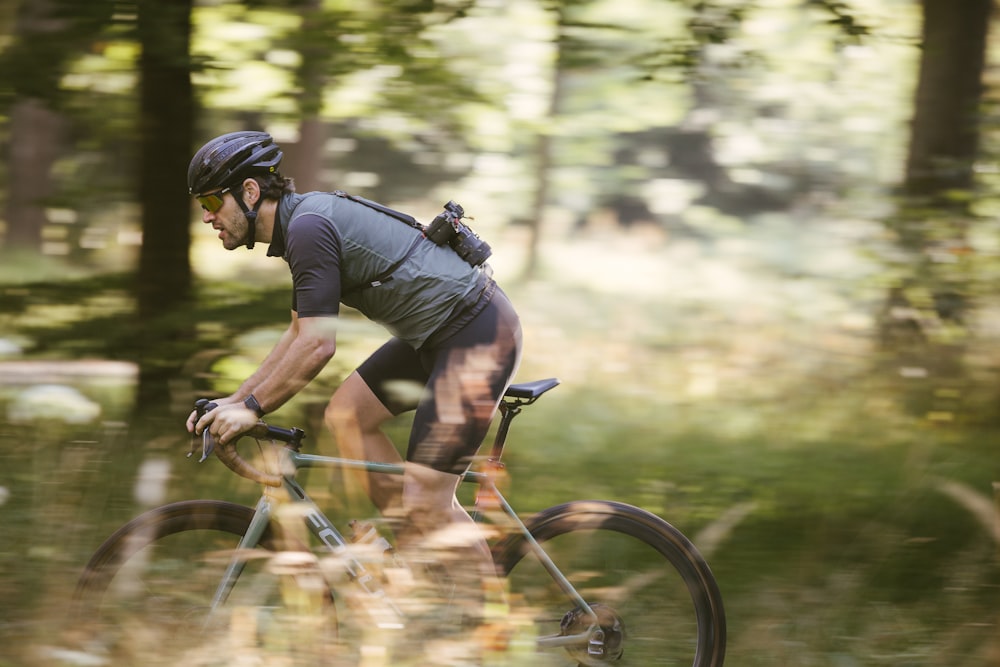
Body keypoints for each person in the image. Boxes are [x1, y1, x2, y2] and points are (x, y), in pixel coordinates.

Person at [185, 130, 522, 630]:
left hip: (475, 332)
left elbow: (320, 346)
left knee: (428, 500)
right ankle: (420, 558)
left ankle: (493, 639)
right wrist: (233, 401)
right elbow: (300, 333)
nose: (208, 216)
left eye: (214, 201)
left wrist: (252, 408)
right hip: (435, 335)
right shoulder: (302, 225)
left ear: (251, 192)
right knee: (346, 414)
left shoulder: (307, 227)